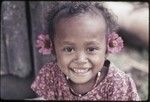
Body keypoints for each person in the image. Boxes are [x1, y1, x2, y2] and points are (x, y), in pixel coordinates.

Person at [31, 2, 140, 100]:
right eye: (69, 49)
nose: (80, 60)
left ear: (107, 49)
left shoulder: (118, 84)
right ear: (53, 49)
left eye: (91, 49)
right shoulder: (51, 75)